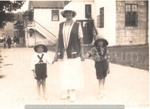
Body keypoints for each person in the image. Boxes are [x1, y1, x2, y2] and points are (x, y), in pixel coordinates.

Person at [53, 6, 84, 102]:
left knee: (73, 72)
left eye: (70, 12)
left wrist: (82, 53)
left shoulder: (77, 25)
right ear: (64, 14)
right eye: (66, 13)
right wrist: (55, 53)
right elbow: (58, 40)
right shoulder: (61, 25)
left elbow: (81, 40)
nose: (68, 14)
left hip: (74, 52)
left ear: (72, 14)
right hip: (63, 53)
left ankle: (73, 93)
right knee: (65, 72)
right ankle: (67, 92)